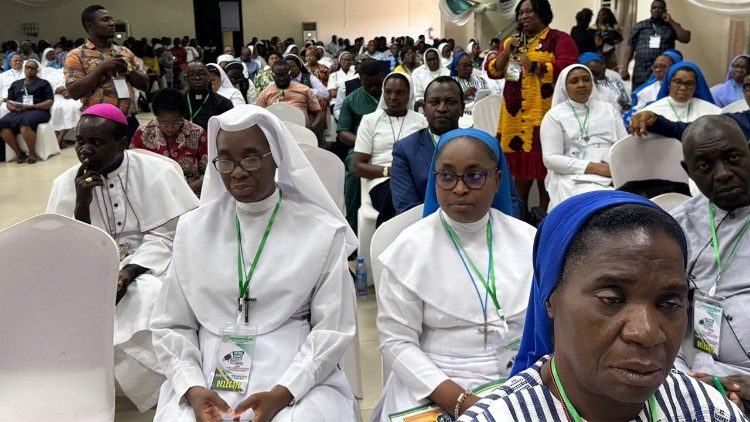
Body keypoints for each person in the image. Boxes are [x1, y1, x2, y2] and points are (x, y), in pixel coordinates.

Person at [459, 190, 749, 422]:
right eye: (611, 300)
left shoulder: (706, 410)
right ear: (550, 299)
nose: (647, 333)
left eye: (669, 303)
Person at [150, 105, 358, 421]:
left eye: (250, 157)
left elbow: (333, 329)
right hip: (207, 373)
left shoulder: (321, 232)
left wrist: (284, 392)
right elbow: (171, 325)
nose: (237, 171)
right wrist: (192, 388)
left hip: (296, 373)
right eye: (226, 160)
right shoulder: (192, 229)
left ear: (275, 155)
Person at [372, 128, 536, 421]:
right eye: (446, 177)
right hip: (435, 381)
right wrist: (461, 401)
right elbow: (396, 342)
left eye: (474, 176)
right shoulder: (410, 249)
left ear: (497, 180)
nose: (459, 189)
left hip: (520, 374)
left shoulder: (529, 241)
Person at [46, 103, 198, 413]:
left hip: (151, 263)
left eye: (96, 143)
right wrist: (81, 204)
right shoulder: (65, 184)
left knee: (148, 296)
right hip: (88, 268)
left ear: (123, 142)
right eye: (80, 142)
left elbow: (171, 234)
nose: (85, 151)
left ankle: (158, 388)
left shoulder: (158, 171)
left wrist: (128, 272)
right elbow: (62, 247)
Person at [671, 116, 750, 413]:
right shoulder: (678, 227)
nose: (724, 174)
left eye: (732, 158)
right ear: (688, 171)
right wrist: (688, 382)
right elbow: (663, 311)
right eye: (705, 166)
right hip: (706, 376)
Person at [486, 0, 579, 214]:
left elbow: (569, 67)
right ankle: (520, 216)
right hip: (514, 114)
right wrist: (507, 50)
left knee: (545, 168)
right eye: (521, 12)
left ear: (542, 13)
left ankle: (546, 218)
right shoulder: (512, 41)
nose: (524, 16)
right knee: (516, 171)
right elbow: (495, 71)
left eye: (529, 11)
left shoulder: (558, 39)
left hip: (544, 113)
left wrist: (535, 66)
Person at [391, 76, 525, 217]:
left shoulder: (485, 146)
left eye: (451, 102)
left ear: (462, 108)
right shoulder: (405, 150)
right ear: (424, 108)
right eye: (434, 102)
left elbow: (513, 202)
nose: (442, 108)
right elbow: (406, 209)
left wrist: (494, 228)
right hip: (431, 233)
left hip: (487, 230)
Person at [541, 64, 627, 211]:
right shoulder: (554, 116)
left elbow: (624, 145)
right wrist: (594, 168)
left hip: (613, 171)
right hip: (574, 176)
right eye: (574, 81)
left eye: (586, 80)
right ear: (564, 86)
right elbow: (550, 159)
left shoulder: (608, 109)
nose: (581, 85)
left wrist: (616, 168)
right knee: (597, 204)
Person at [354, 72, 427, 226]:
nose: (393, 97)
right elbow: (359, 166)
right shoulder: (370, 121)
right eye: (388, 92)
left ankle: (388, 239)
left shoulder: (421, 121)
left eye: (399, 93)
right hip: (382, 181)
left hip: (415, 178)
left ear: (410, 94)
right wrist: (390, 170)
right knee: (399, 193)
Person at [64, 5, 149, 139]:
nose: (111, 23)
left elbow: (144, 85)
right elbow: (74, 92)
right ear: (90, 26)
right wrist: (101, 68)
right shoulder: (76, 55)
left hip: (128, 120)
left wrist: (128, 69)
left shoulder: (124, 52)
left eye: (111, 19)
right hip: (97, 123)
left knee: (132, 159)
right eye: (105, 20)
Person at [130, 88, 207, 196]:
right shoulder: (143, 132)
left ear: (182, 116)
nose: (170, 127)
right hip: (153, 193)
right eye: (164, 122)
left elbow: (210, 172)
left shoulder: (197, 133)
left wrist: (186, 190)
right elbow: (132, 168)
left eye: (175, 122)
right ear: (156, 116)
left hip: (190, 193)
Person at [630, 73, 750, 141]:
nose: (682, 88)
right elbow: (687, 130)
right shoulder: (736, 122)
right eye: (748, 86)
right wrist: (654, 120)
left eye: (689, 84)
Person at [337, 59, 383, 231]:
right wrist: (364, 142)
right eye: (369, 84)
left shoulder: (392, 94)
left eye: (378, 83)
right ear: (361, 79)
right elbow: (342, 133)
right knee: (355, 171)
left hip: (390, 145)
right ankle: (353, 227)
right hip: (360, 148)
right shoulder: (352, 100)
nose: (375, 89)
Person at [621, 0, 691, 88]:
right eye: (654, 7)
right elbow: (630, 46)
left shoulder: (671, 26)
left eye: (661, 8)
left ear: (665, 11)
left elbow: (685, 38)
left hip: (663, 71)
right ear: (650, 10)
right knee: (639, 97)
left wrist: (671, 21)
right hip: (641, 71)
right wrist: (624, 69)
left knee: (660, 98)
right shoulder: (640, 25)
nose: (657, 10)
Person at [0, 59, 53, 164]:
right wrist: (14, 108)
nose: (29, 70)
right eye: (27, 67)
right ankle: (19, 153)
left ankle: (32, 153)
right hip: (18, 111)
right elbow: (9, 101)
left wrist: (33, 107)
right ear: (24, 69)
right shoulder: (16, 84)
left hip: (38, 110)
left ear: (36, 70)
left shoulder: (43, 83)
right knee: (2, 123)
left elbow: (50, 102)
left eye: (32, 68)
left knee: (25, 122)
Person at [642, 61, 720, 123]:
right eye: (678, 82)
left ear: (696, 87)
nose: (683, 88)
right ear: (669, 84)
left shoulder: (713, 112)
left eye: (689, 84)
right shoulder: (651, 112)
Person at [255, 61, 323, 132]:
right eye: (278, 76)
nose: (281, 78)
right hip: (275, 132)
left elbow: (318, 112)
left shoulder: (304, 90)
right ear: (273, 76)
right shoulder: (265, 93)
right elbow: (257, 116)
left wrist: (311, 128)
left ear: (290, 74)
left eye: (284, 75)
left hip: (300, 130)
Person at [41, 50, 82, 147]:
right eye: (65, 60)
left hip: (74, 96)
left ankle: (59, 139)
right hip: (57, 97)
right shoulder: (55, 73)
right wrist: (61, 91)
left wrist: (69, 91)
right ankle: (60, 137)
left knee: (73, 107)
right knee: (54, 108)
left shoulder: (78, 72)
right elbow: (51, 86)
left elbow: (79, 85)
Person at [183, 61, 234, 131]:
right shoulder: (177, 102)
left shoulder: (223, 103)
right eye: (192, 74)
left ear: (209, 77)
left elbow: (229, 131)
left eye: (202, 74)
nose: (197, 78)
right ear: (185, 78)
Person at [0, 54, 25, 119]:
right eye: (15, 61)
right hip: (6, 102)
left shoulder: (26, 74)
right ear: (10, 63)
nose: (18, 62)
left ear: (23, 63)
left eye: (20, 61)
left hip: (22, 101)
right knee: (3, 110)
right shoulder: (2, 75)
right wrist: (2, 99)